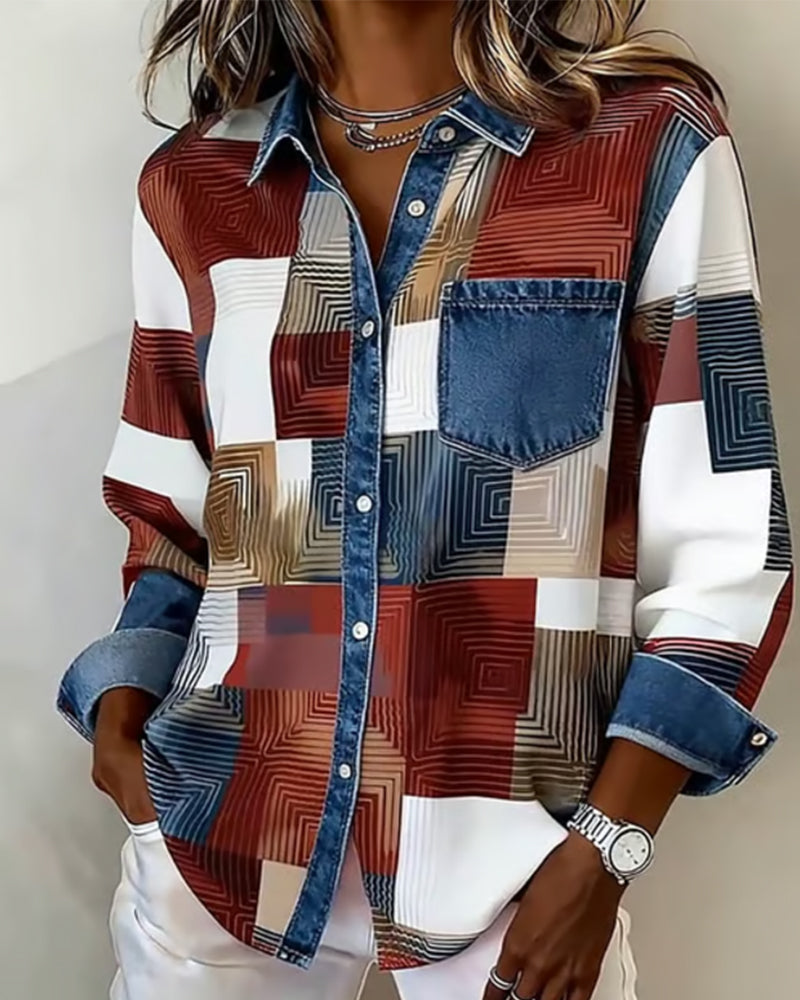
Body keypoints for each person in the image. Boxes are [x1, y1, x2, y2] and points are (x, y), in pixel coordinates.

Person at [57, 1, 793, 999]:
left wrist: (606, 846)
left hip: (518, 857)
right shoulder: (197, 184)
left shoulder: (641, 146)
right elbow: (172, 518)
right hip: (221, 832)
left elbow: (728, 540)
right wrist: (123, 724)